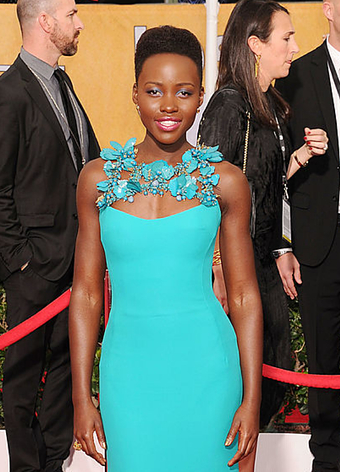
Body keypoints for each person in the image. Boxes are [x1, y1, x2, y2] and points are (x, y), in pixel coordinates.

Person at [69, 26, 263, 471]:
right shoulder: (97, 181)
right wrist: (81, 397)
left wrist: (252, 399)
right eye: (155, 91)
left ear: (200, 98)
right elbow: (85, 294)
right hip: (128, 376)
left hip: (208, 371)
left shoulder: (225, 181)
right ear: (135, 94)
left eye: (185, 92)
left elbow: (245, 296)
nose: (169, 105)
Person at [198, 3, 327, 467]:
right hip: (233, 270)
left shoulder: (270, 105)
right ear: (255, 44)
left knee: (267, 384)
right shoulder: (230, 105)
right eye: (285, 38)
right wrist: (215, 268)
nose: (294, 48)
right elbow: (206, 191)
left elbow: (259, 188)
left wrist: (295, 161)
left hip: (260, 266)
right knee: (236, 393)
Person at [0, 0, 100, 469]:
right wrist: (21, 260)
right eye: (72, 14)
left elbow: (85, 161)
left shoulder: (63, 83)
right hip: (34, 267)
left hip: (73, 261)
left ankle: (54, 462)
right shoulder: (8, 94)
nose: (79, 23)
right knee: (21, 379)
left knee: (62, 372)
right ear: (45, 21)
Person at [275, 1, 340, 469]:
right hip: (321, 244)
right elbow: (272, 166)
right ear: (328, 7)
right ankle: (328, 460)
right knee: (324, 361)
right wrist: (282, 244)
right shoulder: (295, 74)